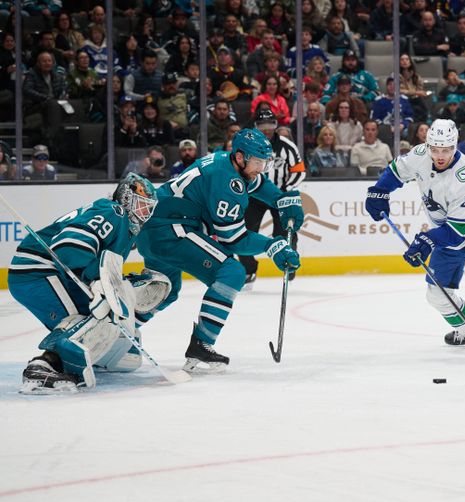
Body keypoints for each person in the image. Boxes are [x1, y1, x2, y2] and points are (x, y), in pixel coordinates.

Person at [137, 129, 303, 373]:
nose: (261, 168)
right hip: (171, 231)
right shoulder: (227, 184)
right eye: (258, 162)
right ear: (239, 157)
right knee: (232, 271)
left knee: (164, 291)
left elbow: (257, 184)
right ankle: (202, 344)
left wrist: (280, 199)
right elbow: (233, 239)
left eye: (264, 163)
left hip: (156, 229)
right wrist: (272, 245)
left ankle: (114, 332)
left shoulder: (226, 162)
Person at [365, 119, 465, 348]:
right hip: (448, 229)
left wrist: (426, 241)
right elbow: (396, 171)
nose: (440, 155)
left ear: (454, 146)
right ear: (427, 145)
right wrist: (379, 191)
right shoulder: (420, 154)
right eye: (435, 149)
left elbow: (457, 233)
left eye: (446, 150)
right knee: (436, 294)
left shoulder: (464, 175)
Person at [9, 174, 161, 393]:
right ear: (126, 197)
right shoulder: (113, 212)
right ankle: (42, 367)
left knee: (101, 315)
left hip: (51, 272)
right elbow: (69, 247)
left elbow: (99, 266)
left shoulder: (124, 227)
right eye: (142, 206)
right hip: (37, 271)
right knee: (84, 321)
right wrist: (95, 284)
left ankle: (97, 351)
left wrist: (104, 286)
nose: (145, 214)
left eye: (149, 209)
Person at [239, 110, 307, 286]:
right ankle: (248, 269)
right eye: (262, 126)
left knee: (285, 233)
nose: (266, 129)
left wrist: (284, 190)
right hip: (254, 196)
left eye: (270, 125)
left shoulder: (287, 146)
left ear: (276, 126)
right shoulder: (249, 146)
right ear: (255, 127)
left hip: (280, 197)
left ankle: (289, 264)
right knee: (244, 232)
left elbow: (299, 171)